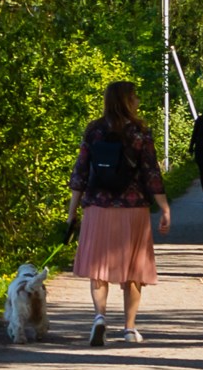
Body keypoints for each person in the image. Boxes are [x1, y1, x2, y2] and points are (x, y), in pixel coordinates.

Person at [68, 81, 168, 347]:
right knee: (134, 271)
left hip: (97, 207)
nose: (137, 100)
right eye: (134, 96)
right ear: (125, 100)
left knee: (98, 271)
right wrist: (165, 207)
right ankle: (129, 328)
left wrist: (71, 214)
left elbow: (80, 173)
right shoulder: (139, 132)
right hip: (133, 208)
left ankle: (100, 318)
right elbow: (151, 172)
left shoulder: (94, 130)